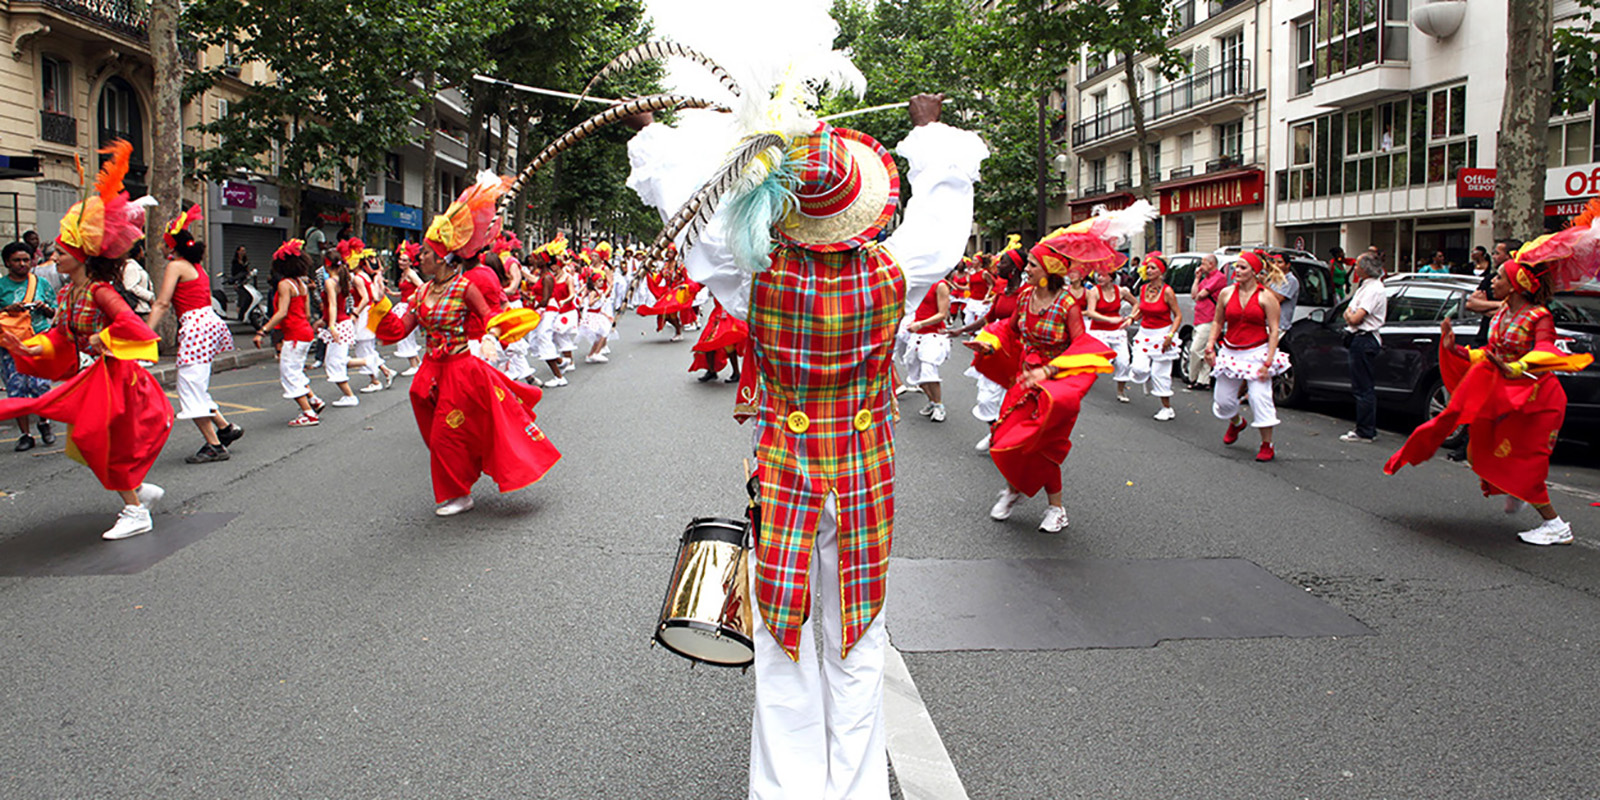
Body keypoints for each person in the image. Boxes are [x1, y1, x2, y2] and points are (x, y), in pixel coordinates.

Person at [630, 88, 985, 799]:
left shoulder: (753, 275)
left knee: (782, 634)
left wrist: (657, 135)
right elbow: (945, 220)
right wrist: (932, 130)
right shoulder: (898, 271)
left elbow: (689, 216)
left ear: (782, 209)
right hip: (864, 470)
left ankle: (787, 791)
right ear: (863, 205)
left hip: (787, 468)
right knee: (856, 635)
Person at [1385, 203, 1599, 546]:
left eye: (1498, 276)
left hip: (1536, 400)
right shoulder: (1501, 314)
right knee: (1481, 449)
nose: (1492, 280)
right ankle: (1518, 490)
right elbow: (1490, 353)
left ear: (1515, 285)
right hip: (1507, 394)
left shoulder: (1539, 316)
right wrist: (1455, 349)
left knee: (1525, 463)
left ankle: (1556, 525)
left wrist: (1516, 366)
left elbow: (1546, 352)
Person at [0, 141, 171, 539]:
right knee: (92, 442)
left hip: (118, 379)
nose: (53, 256)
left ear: (80, 254)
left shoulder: (100, 292)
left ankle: (135, 509)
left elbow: (137, 328)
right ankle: (138, 494)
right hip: (94, 378)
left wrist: (102, 337)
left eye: (60, 251)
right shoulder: (67, 293)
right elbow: (60, 335)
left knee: (95, 438)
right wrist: (32, 347)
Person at [373, 172, 560, 517]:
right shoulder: (422, 292)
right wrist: (378, 301)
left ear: (444, 258)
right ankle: (462, 467)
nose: (421, 259)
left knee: (447, 432)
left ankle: (459, 493)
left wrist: (491, 337)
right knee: (441, 435)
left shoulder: (465, 287)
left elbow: (491, 317)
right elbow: (397, 330)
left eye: (426, 254)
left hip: (460, 369)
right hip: (430, 373)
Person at [976, 208, 1142, 529]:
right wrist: (989, 342)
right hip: (1025, 380)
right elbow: (1009, 330)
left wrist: (1049, 372)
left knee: (1043, 445)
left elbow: (1082, 346)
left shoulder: (1067, 305)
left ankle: (1056, 510)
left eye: (1033, 265)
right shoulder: (1025, 297)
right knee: (1005, 438)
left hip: (1057, 385)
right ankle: (1015, 490)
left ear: (1049, 268)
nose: (1027, 269)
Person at [145, 205, 243, 463]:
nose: (161, 249)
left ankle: (215, 446)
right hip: (207, 323)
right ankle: (224, 429)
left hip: (196, 327)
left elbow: (162, 303)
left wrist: (144, 333)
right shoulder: (196, 266)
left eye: (164, 244)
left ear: (171, 246)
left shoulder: (176, 265)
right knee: (195, 383)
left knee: (189, 388)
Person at [1204, 250, 1289, 462]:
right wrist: (1210, 345)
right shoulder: (1226, 293)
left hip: (1256, 352)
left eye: (1242, 267)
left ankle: (1267, 444)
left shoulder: (1266, 297)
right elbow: (1217, 321)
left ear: (1254, 271)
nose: (1237, 271)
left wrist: (1268, 360)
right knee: (1222, 401)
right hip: (1230, 351)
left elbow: (1274, 329)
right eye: (1236, 267)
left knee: (1261, 399)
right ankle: (1236, 423)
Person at [952, 241, 1024, 451]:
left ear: (1013, 268)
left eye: (1003, 262)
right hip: (994, 350)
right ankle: (995, 432)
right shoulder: (1003, 292)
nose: (997, 264)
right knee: (985, 397)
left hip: (1015, 352)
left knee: (1008, 399)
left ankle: (1004, 438)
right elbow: (987, 319)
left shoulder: (1028, 293)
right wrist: (961, 330)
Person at [253, 241, 325, 427]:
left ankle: (308, 413)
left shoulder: (285, 284)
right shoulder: (301, 284)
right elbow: (308, 314)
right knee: (296, 370)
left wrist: (263, 330)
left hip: (294, 334)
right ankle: (314, 399)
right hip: (305, 332)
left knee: (289, 375)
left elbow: (281, 312)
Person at [1, 241, 57, 451]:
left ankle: (45, 423)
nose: (22, 264)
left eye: (26, 260)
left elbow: (55, 312)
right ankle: (25, 434)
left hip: (39, 340)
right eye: (17, 260)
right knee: (17, 390)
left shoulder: (40, 283)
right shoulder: (1, 286)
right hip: (11, 344)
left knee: (40, 387)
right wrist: (8, 309)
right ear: (7, 262)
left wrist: (44, 308)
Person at [1125, 252, 1183, 421]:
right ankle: (1149, 379)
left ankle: (1166, 408)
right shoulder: (1144, 289)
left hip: (1162, 334)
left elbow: (1178, 315)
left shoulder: (1167, 292)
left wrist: (1170, 335)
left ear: (1161, 271)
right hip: (1144, 333)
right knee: (1138, 368)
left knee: (1161, 373)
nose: (1149, 270)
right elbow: (1142, 309)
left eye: (1153, 268)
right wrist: (1131, 318)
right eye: (1147, 268)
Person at [1340, 254, 1387, 443]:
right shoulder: (1365, 287)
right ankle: (1364, 426)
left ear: (1365, 268)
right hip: (1359, 338)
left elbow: (1355, 317)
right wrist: (1349, 314)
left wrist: (1350, 315)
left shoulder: (1373, 290)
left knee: (1363, 386)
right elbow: (1347, 311)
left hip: (1364, 338)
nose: (1355, 267)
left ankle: (1365, 430)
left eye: (1357, 264)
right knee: (1360, 385)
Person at [899, 264, 954, 421]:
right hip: (917, 335)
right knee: (914, 373)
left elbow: (942, 314)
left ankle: (939, 405)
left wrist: (921, 323)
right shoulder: (918, 284)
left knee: (929, 370)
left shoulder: (941, 285)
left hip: (933, 335)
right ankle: (932, 401)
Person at [1086, 261, 1135, 402]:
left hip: (1117, 331)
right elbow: (1091, 312)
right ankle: (1086, 376)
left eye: (1103, 275)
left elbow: (1136, 304)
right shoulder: (1094, 291)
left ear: (1111, 277)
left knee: (1124, 362)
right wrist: (1108, 319)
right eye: (1098, 275)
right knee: (1104, 359)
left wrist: (1131, 318)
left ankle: (1121, 391)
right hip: (1099, 330)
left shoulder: (1121, 291)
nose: (1099, 278)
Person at [1186, 253, 1226, 390]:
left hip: (1210, 318)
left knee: (1195, 349)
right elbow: (1193, 294)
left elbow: (1201, 295)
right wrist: (1197, 279)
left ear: (1211, 264)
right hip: (1199, 317)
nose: (1201, 267)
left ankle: (1193, 377)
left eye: (1203, 263)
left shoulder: (1219, 278)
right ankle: (1203, 380)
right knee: (1203, 350)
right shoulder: (1205, 279)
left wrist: (1199, 290)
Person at [1267, 252, 1300, 331]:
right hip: (1268, 324)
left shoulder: (1291, 280)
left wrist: (1265, 287)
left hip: (1280, 325)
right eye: (1274, 262)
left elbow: (1278, 299)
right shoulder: (1273, 279)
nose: (1276, 265)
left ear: (1288, 265)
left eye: (1280, 262)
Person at [121, 241, 155, 315]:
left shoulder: (135, 266)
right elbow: (130, 286)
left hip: (143, 308)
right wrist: (149, 296)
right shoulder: (131, 267)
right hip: (138, 309)